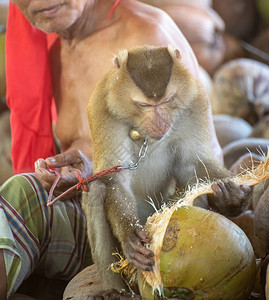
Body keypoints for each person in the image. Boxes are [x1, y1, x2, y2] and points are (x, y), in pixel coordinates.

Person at [0, 0, 224, 299]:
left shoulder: (145, 35)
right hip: (97, 224)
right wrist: (78, 172)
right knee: (23, 199)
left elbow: (198, 166)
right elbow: (102, 157)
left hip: (162, 236)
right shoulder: (53, 51)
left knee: (23, 192)